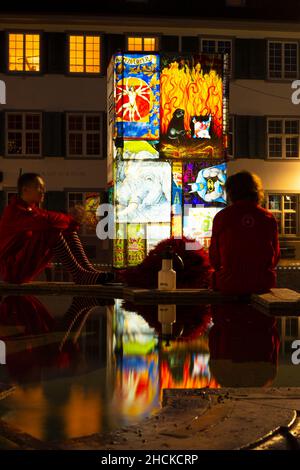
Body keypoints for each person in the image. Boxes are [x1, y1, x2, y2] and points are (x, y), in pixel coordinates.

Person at [0, 173, 113, 285]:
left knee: (63, 229)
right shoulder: (14, 212)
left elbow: (54, 220)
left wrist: (70, 223)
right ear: (25, 190)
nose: (43, 191)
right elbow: (48, 221)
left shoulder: (33, 211)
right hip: (10, 271)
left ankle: (87, 269)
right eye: (39, 187)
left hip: (21, 266)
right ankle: (78, 274)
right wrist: (70, 219)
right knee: (50, 230)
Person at [209, 171, 280, 295]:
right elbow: (275, 255)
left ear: (231, 192)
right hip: (261, 284)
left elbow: (214, 258)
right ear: (256, 192)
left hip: (228, 284)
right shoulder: (267, 217)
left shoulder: (222, 217)